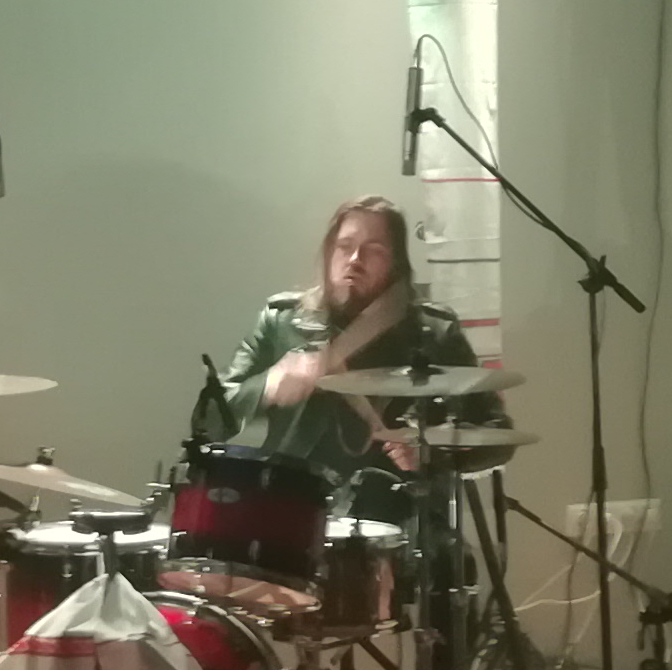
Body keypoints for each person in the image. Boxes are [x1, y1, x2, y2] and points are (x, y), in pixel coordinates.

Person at [214, 194, 509, 488]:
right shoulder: (281, 321)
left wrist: (434, 456)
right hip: (295, 502)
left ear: (395, 263)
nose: (355, 259)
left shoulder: (433, 331)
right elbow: (209, 419)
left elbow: (498, 434)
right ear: (329, 253)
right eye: (345, 246)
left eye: (374, 250)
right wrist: (268, 385)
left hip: (400, 508)